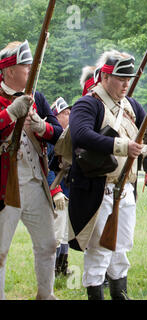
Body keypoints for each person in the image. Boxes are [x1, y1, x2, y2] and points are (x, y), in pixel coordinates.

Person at [68, 50, 147, 300]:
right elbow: (80, 134)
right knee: (100, 250)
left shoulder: (131, 105)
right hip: (98, 188)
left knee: (121, 248)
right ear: (104, 77)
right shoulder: (88, 103)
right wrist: (122, 145)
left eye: (128, 78)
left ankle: (119, 295)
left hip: (125, 188)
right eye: (120, 77)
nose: (126, 83)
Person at [0, 40, 63, 299]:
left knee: (48, 243)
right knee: (1, 251)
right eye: (27, 66)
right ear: (10, 70)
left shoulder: (37, 97)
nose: (31, 71)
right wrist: (11, 113)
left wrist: (41, 127)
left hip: (36, 180)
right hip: (5, 186)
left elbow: (59, 135)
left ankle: (45, 295)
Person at [47, 97, 72, 277]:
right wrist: (54, 190)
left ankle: (63, 267)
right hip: (56, 189)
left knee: (65, 231)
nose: (69, 115)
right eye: (64, 113)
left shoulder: (70, 136)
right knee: (56, 231)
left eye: (70, 112)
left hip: (69, 189)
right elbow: (45, 166)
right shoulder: (51, 137)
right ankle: (51, 269)